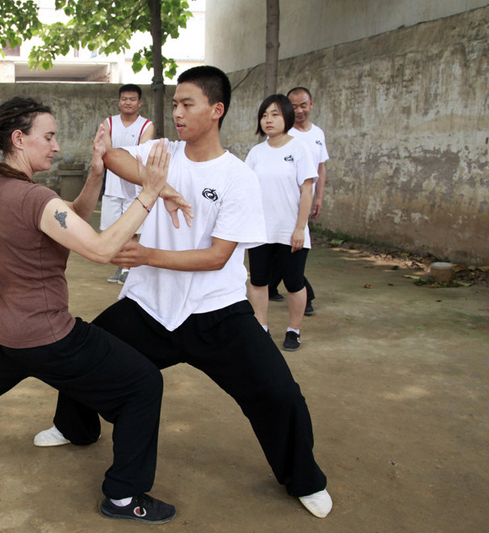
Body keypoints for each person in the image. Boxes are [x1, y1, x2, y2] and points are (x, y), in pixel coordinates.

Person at [33, 66, 332, 519]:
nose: (177, 112)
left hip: (217, 312)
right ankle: (74, 428)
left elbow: (217, 257)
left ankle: (304, 478)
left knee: (279, 394)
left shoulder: (237, 176)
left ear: (216, 109)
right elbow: (113, 157)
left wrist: (147, 254)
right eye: (174, 104)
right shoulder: (162, 153)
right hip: (150, 306)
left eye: (187, 104)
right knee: (86, 354)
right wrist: (162, 187)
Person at [0, 97, 190, 524]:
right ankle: (124, 497)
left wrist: (96, 173)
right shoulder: (36, 197)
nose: (56, 146)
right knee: (142, 384)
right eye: (48, 137)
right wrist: (150, 191)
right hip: (46, 339)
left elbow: (70, 222)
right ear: (19, 138)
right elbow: (100, 249)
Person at [245, 94, 317, 351]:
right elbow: (246, 189)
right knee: (258, 281)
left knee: (294, 283)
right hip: (260, 231)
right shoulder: (256, 153)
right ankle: (261, 327)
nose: (268, 120)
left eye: (275, 114)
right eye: (264, 115)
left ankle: (293, 331)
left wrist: (300, 229)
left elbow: (307, 191)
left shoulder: (300, 149)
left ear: (286, 116)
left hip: (290, 231)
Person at [268, 87, 329, 316]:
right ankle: (301, 294)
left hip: (304, 201)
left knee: (291, 250)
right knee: (283, 251)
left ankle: (284, 289)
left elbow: (321, 168)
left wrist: (319, 197)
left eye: (303, 105)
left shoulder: (317, 134)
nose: (299, 110)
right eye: (293, 107)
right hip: (283, 204)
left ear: (311, 104)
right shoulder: (281, 134)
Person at [100, 84, 155, 284]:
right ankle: (121, 266)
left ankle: (128, 269)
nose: (128, 102)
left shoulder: (146, 125)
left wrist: (120, 157)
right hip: (112, 185)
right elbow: (106, 151)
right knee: (114, 228)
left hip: (135, 184)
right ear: (119, 101)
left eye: (132, 99)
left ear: (139, 102)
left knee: (132, 229)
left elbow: (142, 152)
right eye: (124, 99)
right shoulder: (108, 123)